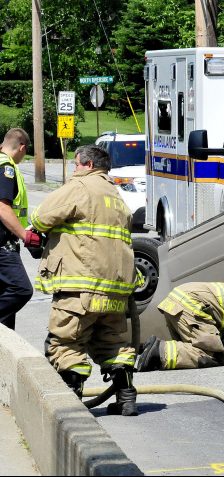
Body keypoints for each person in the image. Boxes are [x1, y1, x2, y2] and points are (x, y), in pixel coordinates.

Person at [30, 145, 139, 416]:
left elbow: (41, 217)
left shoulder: (81, 187)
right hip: (115, 290)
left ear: (88, 165)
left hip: (80, 286)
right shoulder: (116, 195)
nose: (74, 170)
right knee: (112, 343)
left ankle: (71, 403)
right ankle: (126, 397)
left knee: (66, 343)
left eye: (76, 165)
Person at [0, 128, 39, 330]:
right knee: (20, 290)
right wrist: (25, 235)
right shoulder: (6, 167)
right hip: (2, 246)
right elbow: (2, 207)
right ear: (22, 147)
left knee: (5, 295)